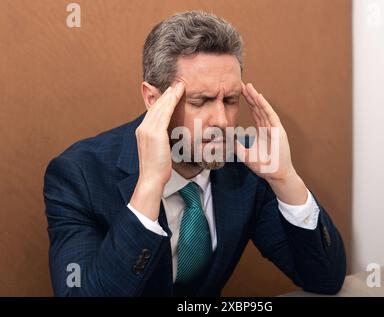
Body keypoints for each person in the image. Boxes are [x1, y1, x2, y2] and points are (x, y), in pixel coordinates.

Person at [44, 10, 346, 296]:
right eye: (200, 101)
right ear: (153, 99)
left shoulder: (247, 166)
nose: (222, 121)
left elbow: (325, 279)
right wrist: (149, 186)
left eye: (229, 100)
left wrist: (284, 179)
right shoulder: (79, 175)